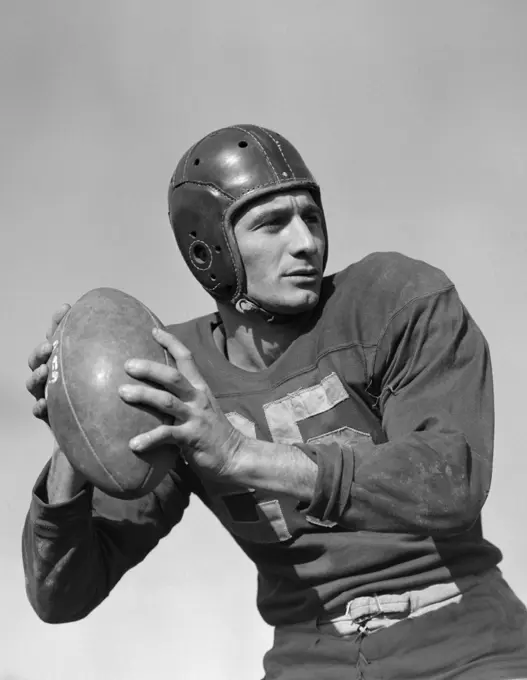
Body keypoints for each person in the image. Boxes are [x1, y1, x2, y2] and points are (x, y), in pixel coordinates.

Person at [24, 124, 527, 679]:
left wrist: (240, 454)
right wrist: (75, 430)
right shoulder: (173, 373)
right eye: (272, 223)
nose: (306, 241)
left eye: (310, 216)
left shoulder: (395, 299)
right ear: (207, 249)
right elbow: (62, 597)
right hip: (312, 659)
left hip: (466, 644)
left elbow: (449, 479)